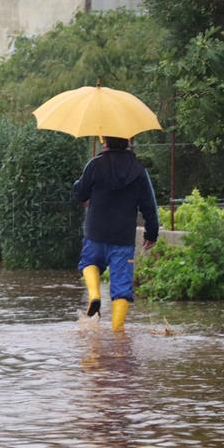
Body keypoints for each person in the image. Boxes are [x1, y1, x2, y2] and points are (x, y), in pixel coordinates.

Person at [72, 136, 158, 332]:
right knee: (121, 287)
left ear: (105, 141)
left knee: (89, 263)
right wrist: (151, 233)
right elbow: (149, 205)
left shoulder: (94, 165)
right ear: (127, 140)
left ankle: (94, 295)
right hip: (123, 238)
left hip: (96, 232)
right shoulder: (139, 170)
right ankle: (118, 334)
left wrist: (80, 183)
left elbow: (80, 194)